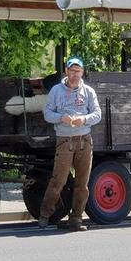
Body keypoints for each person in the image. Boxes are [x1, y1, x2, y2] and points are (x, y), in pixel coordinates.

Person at [39, 56, 101, 232]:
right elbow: (47, 114)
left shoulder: (88, 92)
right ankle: (45, 215)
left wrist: (84, 119)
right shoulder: (56, 91)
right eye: (72, 71)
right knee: (58, 181)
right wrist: (61, 118)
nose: (75, 75)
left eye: (78, 71)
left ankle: (76, 219)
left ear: (82, 72)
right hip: (65, 141)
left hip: (84, 141)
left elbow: (97, 114)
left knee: (82, 184)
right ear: (66, 71)